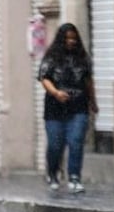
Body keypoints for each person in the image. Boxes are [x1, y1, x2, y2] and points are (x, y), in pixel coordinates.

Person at [37, 23, 99, 193]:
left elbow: (88, 81)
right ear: (61, 39)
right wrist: (56, 93)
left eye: (73, 38)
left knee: (76, 141)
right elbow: (44, 78)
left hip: (78, 106)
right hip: (55, 108)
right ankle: (53, 173)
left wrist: (93, 101)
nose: (71, 41)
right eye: (67, 38)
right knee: (55, 145)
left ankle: (74, 177)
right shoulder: (51, 57)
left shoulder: (83, 58)